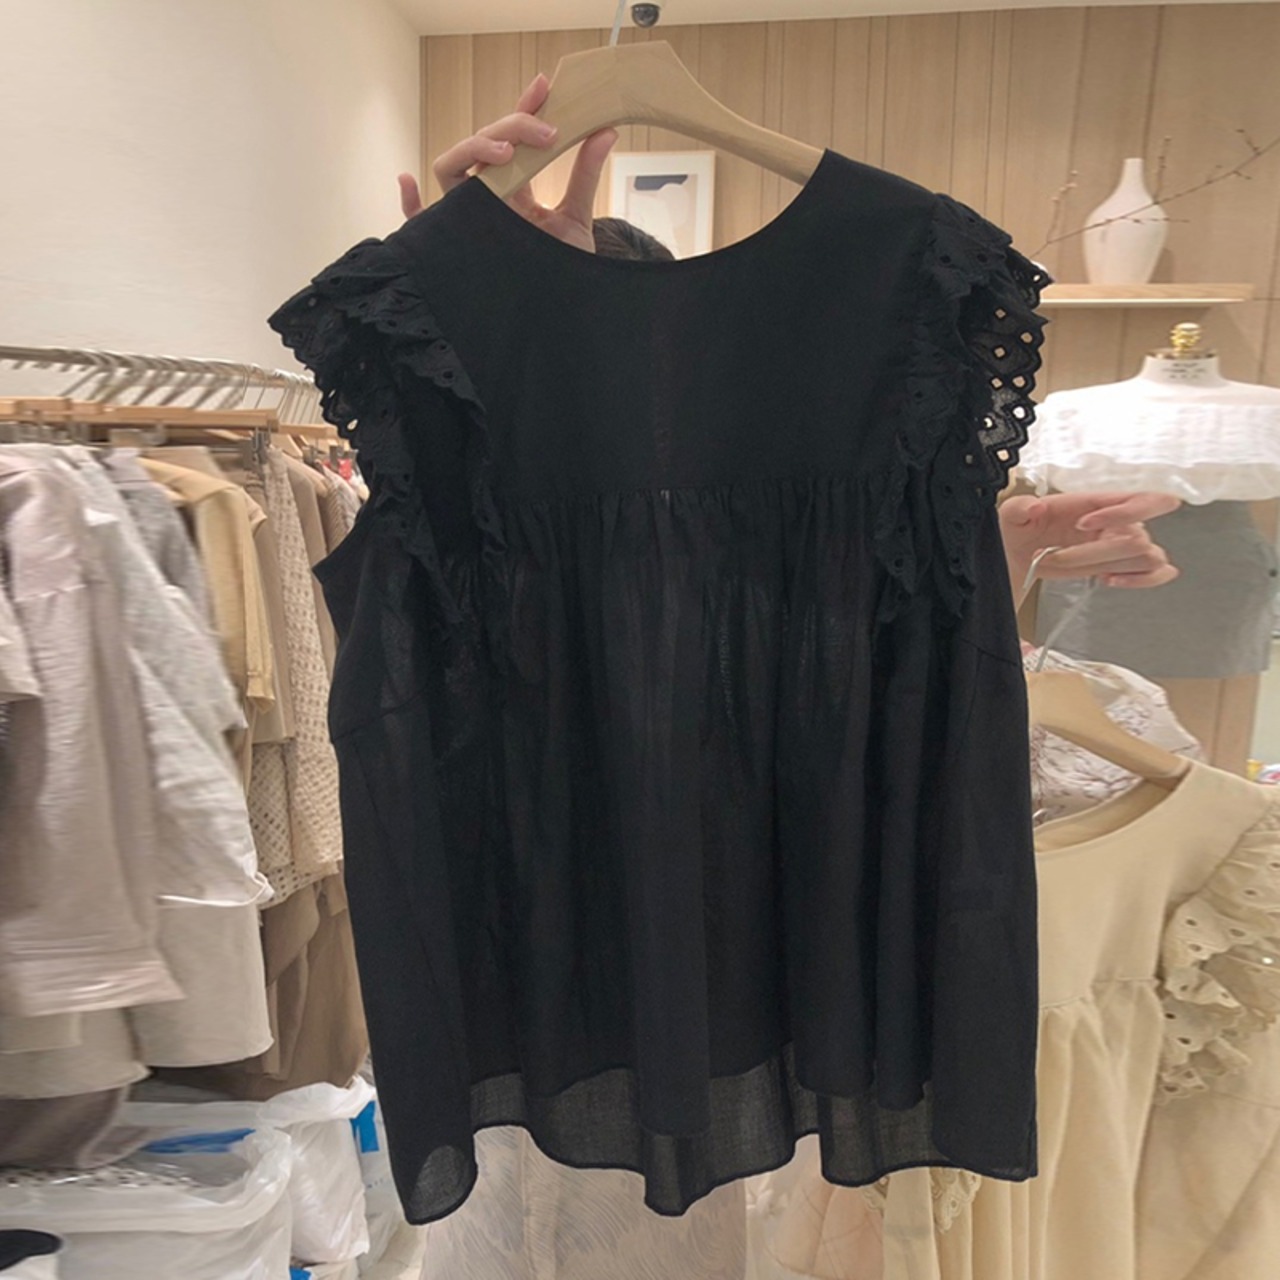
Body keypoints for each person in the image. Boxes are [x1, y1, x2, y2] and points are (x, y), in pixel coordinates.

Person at [400, 73, 1178, 599]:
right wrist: (468, 322)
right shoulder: (485, 508)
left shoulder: (812, 504)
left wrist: (1001, 550)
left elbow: (904, 688)